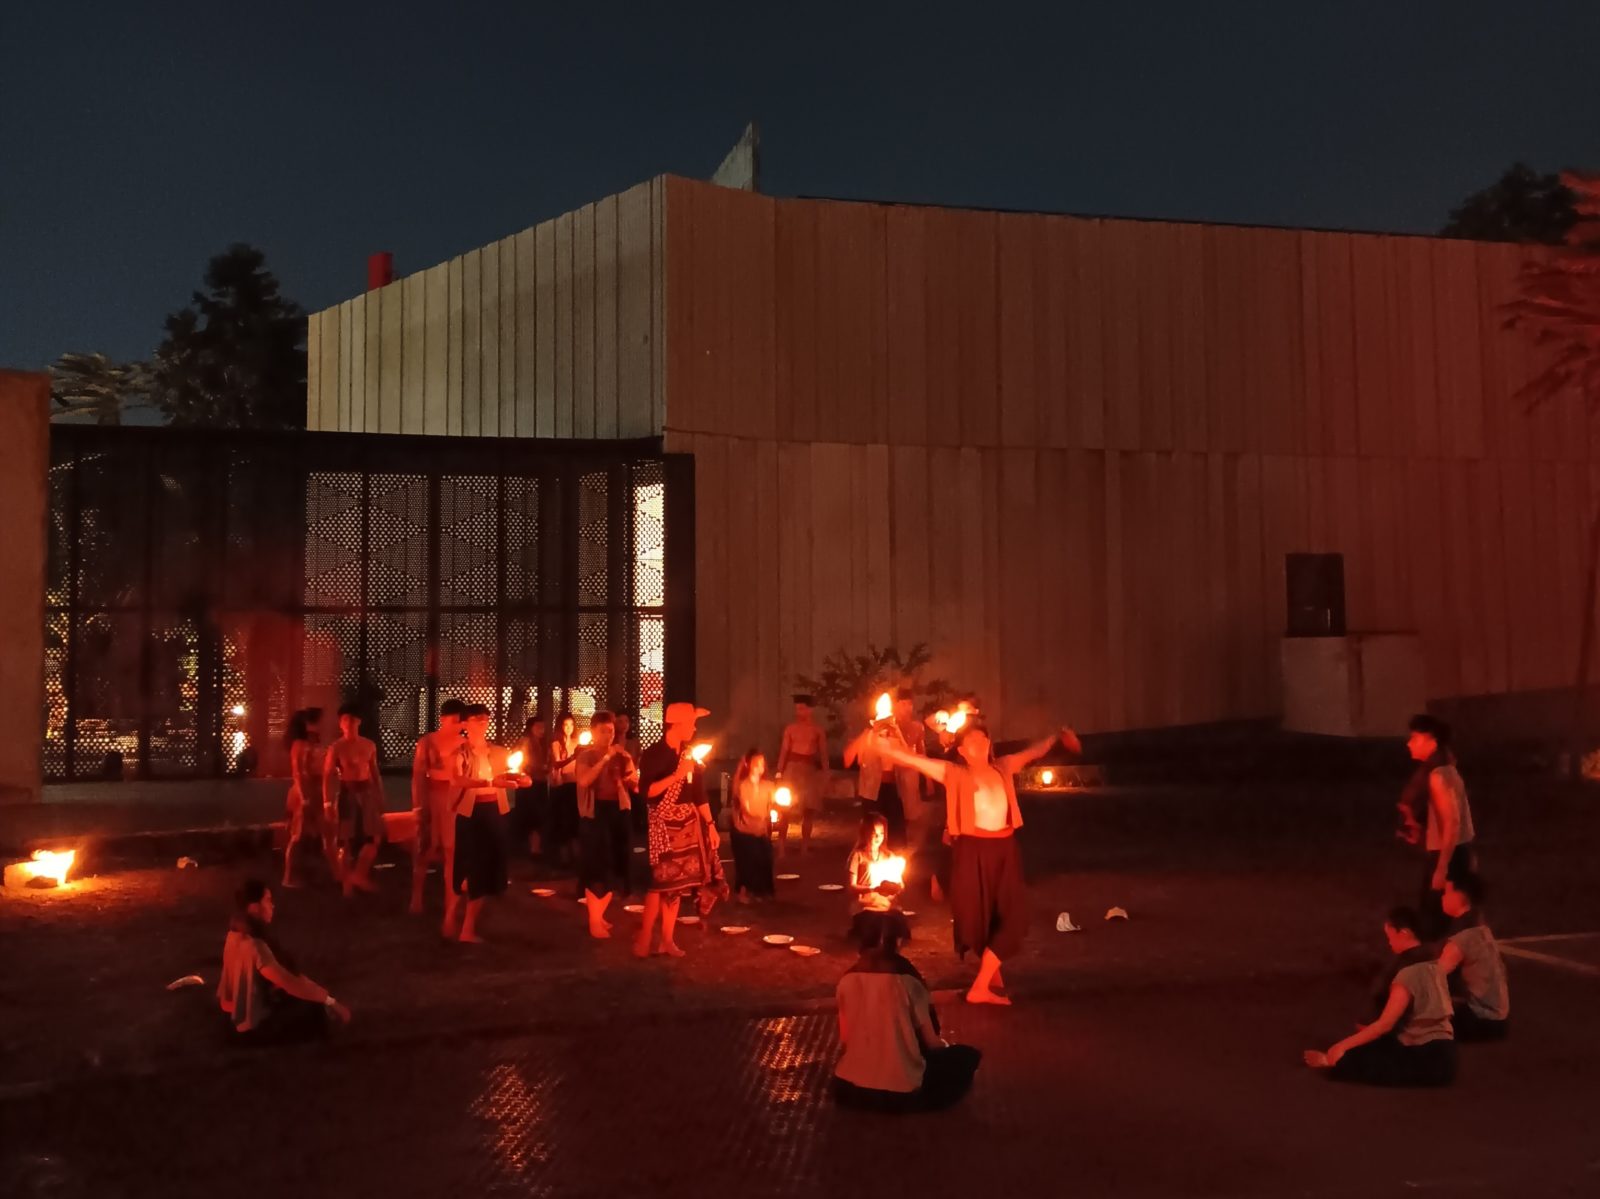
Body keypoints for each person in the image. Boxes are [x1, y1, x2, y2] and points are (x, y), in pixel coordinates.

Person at [873, 720, 1080, 1005]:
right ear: (962, 750)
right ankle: (983, 987)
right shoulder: (955, 773)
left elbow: (1034, 752)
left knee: (1013, 917)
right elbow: (915, 760)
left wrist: (1056, 735)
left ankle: (988, 983)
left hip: (1005, 849)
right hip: (973, 850)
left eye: (984, 740)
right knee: (979, 917)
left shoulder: (1003, 767)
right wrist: (886, 746)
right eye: (973, 741)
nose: (980, 745)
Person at [832, 910, 982, 1113]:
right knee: (966, 1057)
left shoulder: (845, 981)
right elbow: (931, 1042)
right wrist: (947, 1047)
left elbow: (846, 1039)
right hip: (901, 1091)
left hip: (850, 1088)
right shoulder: (907, 981)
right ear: (899, 941)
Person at [1304, 907, 1457, 1086]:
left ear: (1405, 933)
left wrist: (1340, 1048)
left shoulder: (1407, 973)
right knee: (1369, 1046)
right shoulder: (1435, 965)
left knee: (1352, 1060)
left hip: (1425, 1059)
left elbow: (1385, 1024)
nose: (1389, 942)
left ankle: (1331, 1061)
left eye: (1391, 936)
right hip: (1448, 1056)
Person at [634, 701, 726, 958]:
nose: (695, 729)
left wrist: (710, 825)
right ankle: (644, 939)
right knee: (660, 883)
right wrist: (676, 775)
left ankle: (666, 939)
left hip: (687, 825)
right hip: (663, 824)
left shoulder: (688, 754)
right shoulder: (653, 754)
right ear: (677, 724)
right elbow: (647, 791)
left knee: (677, 886)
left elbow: (698, 793)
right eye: (692, 723)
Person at [218, 879, 351, 1046]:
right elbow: (288, 982)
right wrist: (330, 1001)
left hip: (228, 1018)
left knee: (304, 995)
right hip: (248, 1029)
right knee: (315, 1008)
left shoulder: (234, 933)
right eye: (267, 900)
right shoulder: (255, 945)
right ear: (254, 907)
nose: (272, 905)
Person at [445, 704, 531, 943]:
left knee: (483, 870)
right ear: (465, 724)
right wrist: (490, 782)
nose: (482, 723)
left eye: (485, 719)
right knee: (469, 870)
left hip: (494, 811)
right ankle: (456, 922)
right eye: (476, 719)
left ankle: (464, 926)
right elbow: (458, 779)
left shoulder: (498, 751)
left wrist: (522, 779)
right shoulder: (459, 752)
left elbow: (515, 773)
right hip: (471, 814)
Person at [1405, 715, 1477, 935]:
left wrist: (1442, 868)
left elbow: (1452, 822)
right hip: (1456, 853)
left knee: (1432, 923)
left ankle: (1440, 967)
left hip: (1449, 856)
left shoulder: (1438, 775)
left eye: (1415, 738)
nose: (1409, 743)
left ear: (1432, 741)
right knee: (1455, 920)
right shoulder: (1446, 769)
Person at [573, 711, 640, 938]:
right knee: (597, 865)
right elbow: (584, 780)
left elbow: (634, 783)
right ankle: (594, 920)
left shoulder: (622, 755)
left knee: (614, 862)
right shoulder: (587, 755)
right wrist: (605, 759)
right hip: (595, 813)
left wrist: (630, 777)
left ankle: (601, 915)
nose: (607, 736)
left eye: (610, 731)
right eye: (603, 731)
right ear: (593, 732)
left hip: (618, 810)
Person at [322, 703, 387, 898]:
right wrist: (328, 803)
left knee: (374, 838)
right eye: (344, 720)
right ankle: (346, 883)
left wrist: (380, 796)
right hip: (347, 792)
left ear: (359, 721)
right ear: (340, 724)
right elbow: (327, 776)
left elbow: (375, 773)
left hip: (366, 793)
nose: (348, 724)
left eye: (352, 720)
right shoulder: (336, 748)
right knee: (346, 841)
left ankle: (358, 874)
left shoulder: (368, 745)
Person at [409, 698, 467, 916]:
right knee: (427, 848)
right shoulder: (428, 742)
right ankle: (416, 897)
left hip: (455, 799)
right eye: (454, 720)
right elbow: (418, 775)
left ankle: (450, 901)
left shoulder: (464, 744)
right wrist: (418, 806)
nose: (458, 725)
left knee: (452, 851)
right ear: (443, 719)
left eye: (461, 722)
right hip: (433, 797)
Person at [1438, 872, 1511, 1042]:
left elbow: (1433, 977)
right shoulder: (1482, 929)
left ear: (1460, 896)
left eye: (1447, 892)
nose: (1442, 897)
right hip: (1498, 1021)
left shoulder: (1464, 937)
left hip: (1481, 1022)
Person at [281, 708, 333, 888]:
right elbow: (298, 772)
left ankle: (310, 874)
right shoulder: (300, 744)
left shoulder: (314, 743)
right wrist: (304, 798)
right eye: (320, 721)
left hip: (316, 791)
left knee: (314, 833)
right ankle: (289, 877)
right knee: (298, 835)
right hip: (305, 792)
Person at [774, 694, 828, 855]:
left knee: (809, 810)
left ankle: (804, 846)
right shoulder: (790, 729)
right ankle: (782, 847)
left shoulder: (817, 730)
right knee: (785, 809)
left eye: (802, 708)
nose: (799, 711)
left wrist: (826, 773)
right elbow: (784, 751)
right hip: (791, 770)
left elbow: (823, 753)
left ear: (810, 710)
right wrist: (779, 772)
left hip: (809, 771)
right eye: (797, 708)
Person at [729, 749, 777, 902]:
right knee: (747, 860)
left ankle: (760, 892)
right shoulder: (743, 785)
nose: (759, 767)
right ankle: (743, 892)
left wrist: (776, 812)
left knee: (764, 859)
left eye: (762, 763)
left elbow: (774, 805)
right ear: (748, 765)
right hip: (744, 829)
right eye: (756, 763)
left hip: (761, 829)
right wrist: (757, 817)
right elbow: (745, 807)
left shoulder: (769, 785)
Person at [847, 812, 903, 915]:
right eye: (874, 833)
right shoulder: (857, 856)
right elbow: (851, 886)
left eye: (881, 833)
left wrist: (894, 887)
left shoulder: (889, 856)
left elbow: (900, 883)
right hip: (864, 904)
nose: (878, 837)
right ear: (865, 833)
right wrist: (872, 889)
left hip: (885, 903)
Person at [545, 714, 582, 866]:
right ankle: (563, 855)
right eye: (566, 725)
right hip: (562, 787)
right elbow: (557, 764)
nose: (569, 728)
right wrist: (573, 757)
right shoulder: (556, 744)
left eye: (571, 725)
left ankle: (577, 854)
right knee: (563, 820)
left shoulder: (578, 742)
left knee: (575, 820)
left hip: (576, 784)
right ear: (560, 726)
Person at [513, 715, 550, 858]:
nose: (542, 730)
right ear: (530, 728)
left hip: (539, 782)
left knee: (539, 816)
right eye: (538, 727)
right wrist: (539, 767)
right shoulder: (525, 742)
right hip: (528, 783)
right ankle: (530, 848)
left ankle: (536, 847)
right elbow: (522, 762)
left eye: (543, 727)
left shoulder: (542, 743)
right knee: (529, 815)